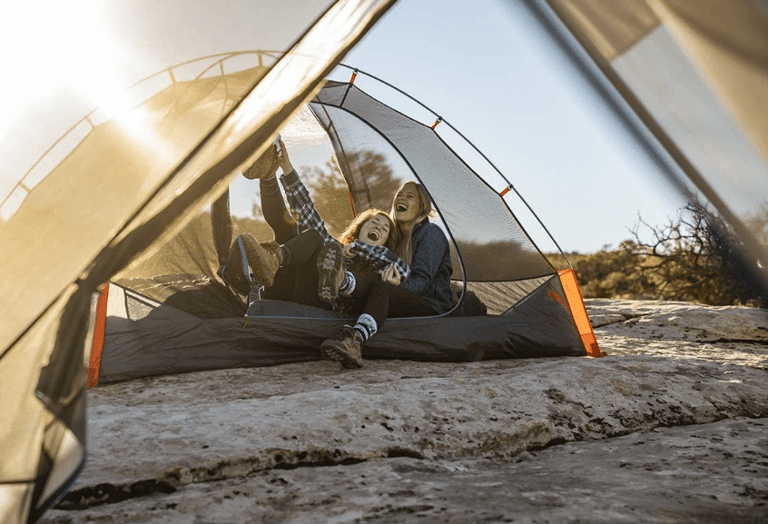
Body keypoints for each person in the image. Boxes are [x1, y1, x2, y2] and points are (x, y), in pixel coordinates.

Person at [242, 138, 410, 312]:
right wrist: (286, 167)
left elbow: (403, 270)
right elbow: (307, 213)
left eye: (384, 229)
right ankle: (268, 176)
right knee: (299, 232)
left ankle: (275, 259)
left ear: (385, 243)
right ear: (358, 230)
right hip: (282, 293)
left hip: (319, 306)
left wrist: (355, 248)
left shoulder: (380, 270)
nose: (377, 227)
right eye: (373, 222)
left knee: (314, 237)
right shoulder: (334, 247)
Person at [319, 180, 453, 368]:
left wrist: (398, 286)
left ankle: (355, 339)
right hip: (397, 297)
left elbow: (422, 283)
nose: (401, 198)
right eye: (399, 194)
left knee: (382, 284)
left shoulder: (431, 234)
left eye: (409, 196)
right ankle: (341, 280)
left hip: (431, 304)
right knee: (379, 280)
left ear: (422, 206)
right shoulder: (397, 239)